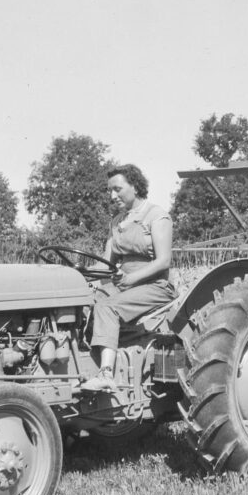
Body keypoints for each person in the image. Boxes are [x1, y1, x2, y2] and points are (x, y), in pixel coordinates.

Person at [81, 164, 176, 391]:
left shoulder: (156, 216)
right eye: (110, 191)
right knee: (82, 304)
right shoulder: (117, 222)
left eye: (118, 189)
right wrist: (76, 276)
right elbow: (106, 263)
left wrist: (131, 279)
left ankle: (105, 374)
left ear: (135, 186)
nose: (112, 196)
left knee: (107, 308)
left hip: (155, 286)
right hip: (125, 286)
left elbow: (163, 261)